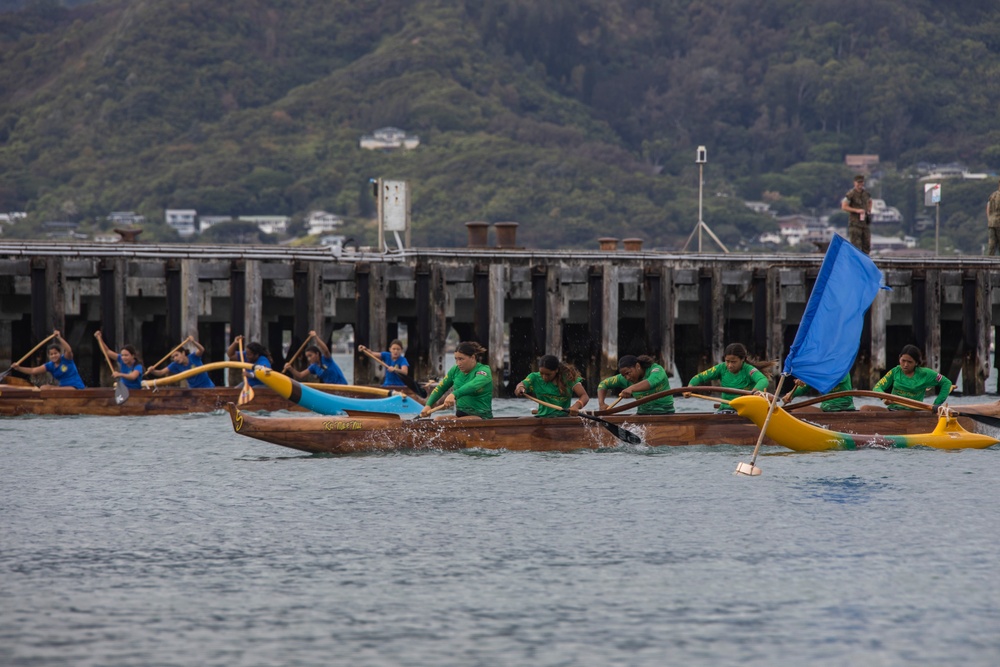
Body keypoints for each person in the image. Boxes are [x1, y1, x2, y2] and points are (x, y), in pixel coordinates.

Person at [686, 343, 773, 412]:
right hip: (725, 409)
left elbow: (763, 380)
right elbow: (700, 377)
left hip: (745, 410)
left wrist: (755, 392)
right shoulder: (721, 368)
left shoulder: (748, 369)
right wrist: (690, 387)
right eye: (727, 361)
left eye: (733, 362)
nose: (730, 365)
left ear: (742, 359)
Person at [418, 341, 493, 419]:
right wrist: (428, 405)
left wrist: (454, 394)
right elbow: (441, 388)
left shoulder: (484, 371)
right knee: (438, 419)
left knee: (454, 422)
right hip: (460, 416)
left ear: (473, 357)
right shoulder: (455, 370)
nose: (458, 363)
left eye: (461, 359)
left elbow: (473, 385)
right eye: (456, 359)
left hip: (481, 417)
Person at [871, 344, 952, 411]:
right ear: (899, 358)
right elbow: (877, 388)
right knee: (865, 408)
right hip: (894, 410)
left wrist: (936, 404)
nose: (905, 365)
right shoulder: (895, 371)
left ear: (916, 362)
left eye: (909, 362)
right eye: (903, 361)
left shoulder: (925, 374)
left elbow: (946, 383)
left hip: (913, 413)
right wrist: (885, 398)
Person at [514, 354, 589, 417]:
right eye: (541, 373)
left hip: (563, 418)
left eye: (548, 374)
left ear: (556, 370)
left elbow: (584, 396)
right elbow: (521, 385)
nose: (544, 377)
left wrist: (576, 406)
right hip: (542, 417)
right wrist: (520, 388)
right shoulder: (534, 377)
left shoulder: (568, 378)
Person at [597, 354, 674, 414]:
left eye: (628, 373)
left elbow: (651, 382)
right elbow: (603, 384)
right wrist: (601, 403)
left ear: (637, 366)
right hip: (642, 415)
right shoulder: (624, 378)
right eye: (624, 375)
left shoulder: (656, 370)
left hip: (665, 413)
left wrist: (631, 388)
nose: (627, 378)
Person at [11, 329, 85, 389]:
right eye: (51, 354)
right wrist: (18, 368)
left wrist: (59, 338)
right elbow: (33, 370)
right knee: (43, 388)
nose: (53, 356)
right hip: (62, 387)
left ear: (60, 353)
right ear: (48, 356)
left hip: (75, 386)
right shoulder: (50, 365)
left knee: (55, 390)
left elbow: (69, 350)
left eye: (55, 353)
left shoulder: (66, 359)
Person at [147, 336, 215, 388]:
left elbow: (202, 349)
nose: (175, 358)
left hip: (207, 386)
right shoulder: (175, 365)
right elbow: (161, 372)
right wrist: (153, 370)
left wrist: (193, 341)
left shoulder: (193, 357)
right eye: (173, 357)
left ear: (183, 353)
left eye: (177, 355)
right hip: (194, 389)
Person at [781, 374, 855, 412]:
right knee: (793, 411)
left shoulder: (842, 368)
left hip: (845, 408)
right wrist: (791, 394)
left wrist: (810, 379)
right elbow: (804, 387)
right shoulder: (819, 372)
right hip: (826, 410)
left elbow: (832, 380)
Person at [841, 174, 873, 255]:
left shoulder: (866, 193)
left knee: (866, 245)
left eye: (861, 182)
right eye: (858, 183)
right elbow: (844, 206)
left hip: (865, 223)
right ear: (854, 183)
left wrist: (869, 210)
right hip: (855, 223)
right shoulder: (851, 194)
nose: (860, 185)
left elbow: (870, 201)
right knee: (855, 245)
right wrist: (856, 210)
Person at [986, 178, 1000, 255]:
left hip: (991, 222)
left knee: (991, 244)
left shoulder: (992, 195)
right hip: (998, 222)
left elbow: (987, 207)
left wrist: (989, 219)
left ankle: (989, 262)